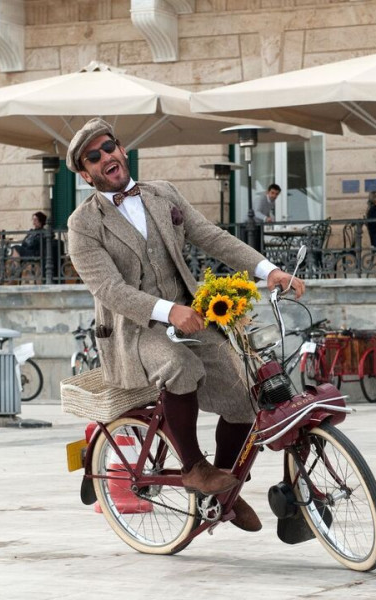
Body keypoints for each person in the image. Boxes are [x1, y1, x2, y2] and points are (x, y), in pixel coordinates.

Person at [66, 118, 304, 533]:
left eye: (108, 147)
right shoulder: (83, 224)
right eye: (94, 156)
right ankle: (194, 467)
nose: (106, 157)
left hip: (189, 318)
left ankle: (222, 491)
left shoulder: (163, 193)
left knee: (244, 394)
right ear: (86, 174)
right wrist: (168, 310)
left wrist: (270, 271)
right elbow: (110, 290)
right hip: (133, 332)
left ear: (121, 150)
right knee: (180, 365)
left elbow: (212, 237)